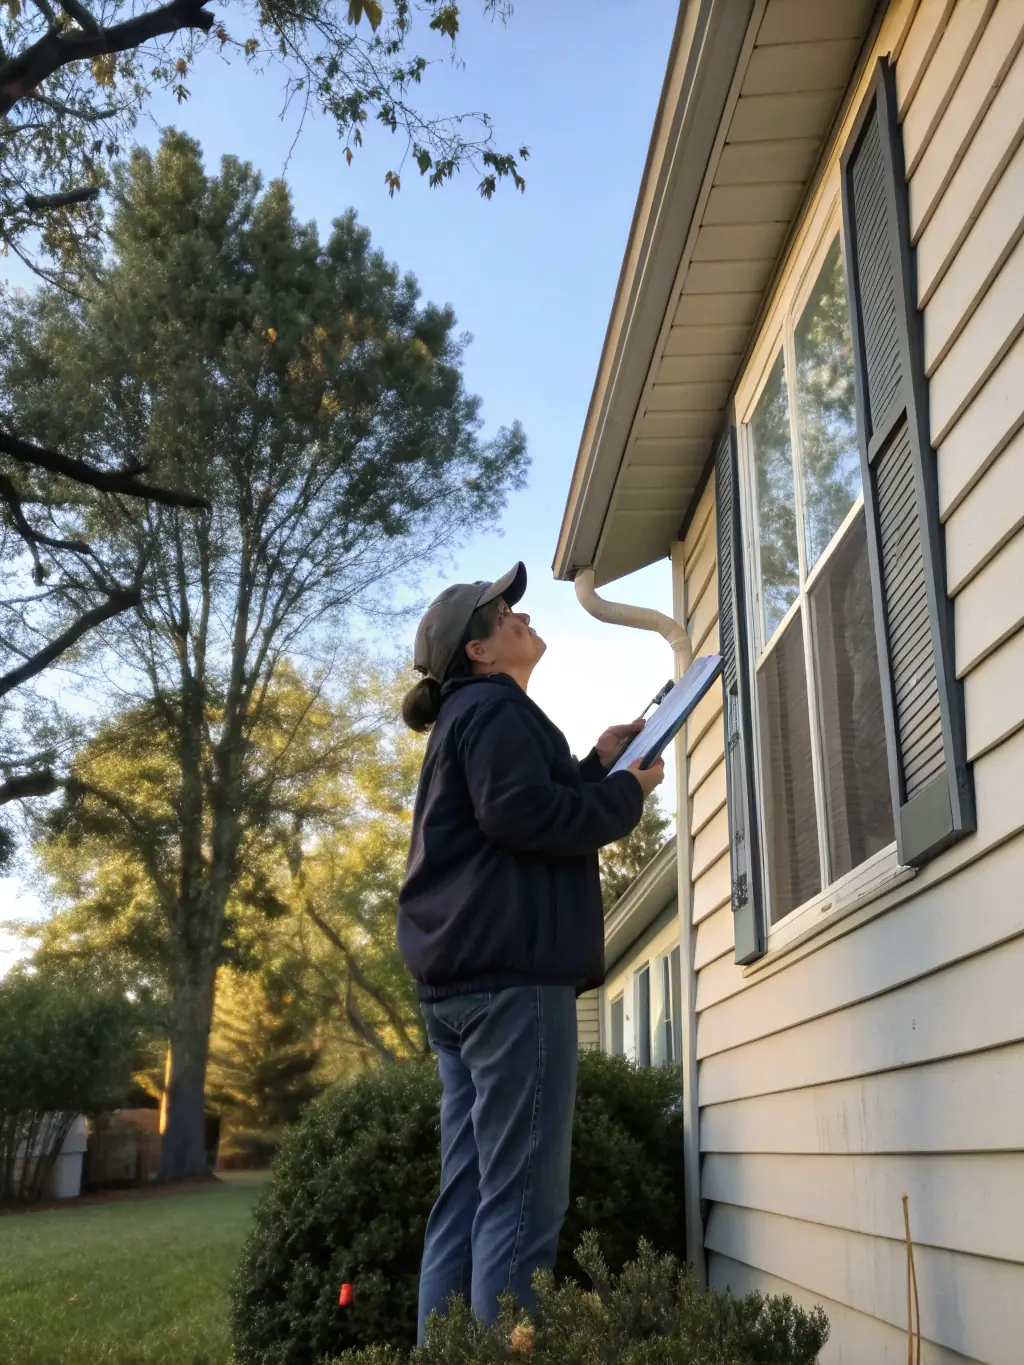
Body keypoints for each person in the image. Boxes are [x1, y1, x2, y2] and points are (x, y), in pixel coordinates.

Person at [397, 561, 665, 1344]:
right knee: (521, 1198)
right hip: (512, 986)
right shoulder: (496, 709)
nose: (520, 614)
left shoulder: (468, 717)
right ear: (479, 651)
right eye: (502, 612)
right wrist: (625, 794)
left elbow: (514, 810)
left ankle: (449, 1356)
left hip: (460, 986)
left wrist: (595, 764)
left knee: (467, 1191)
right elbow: (521, 814)